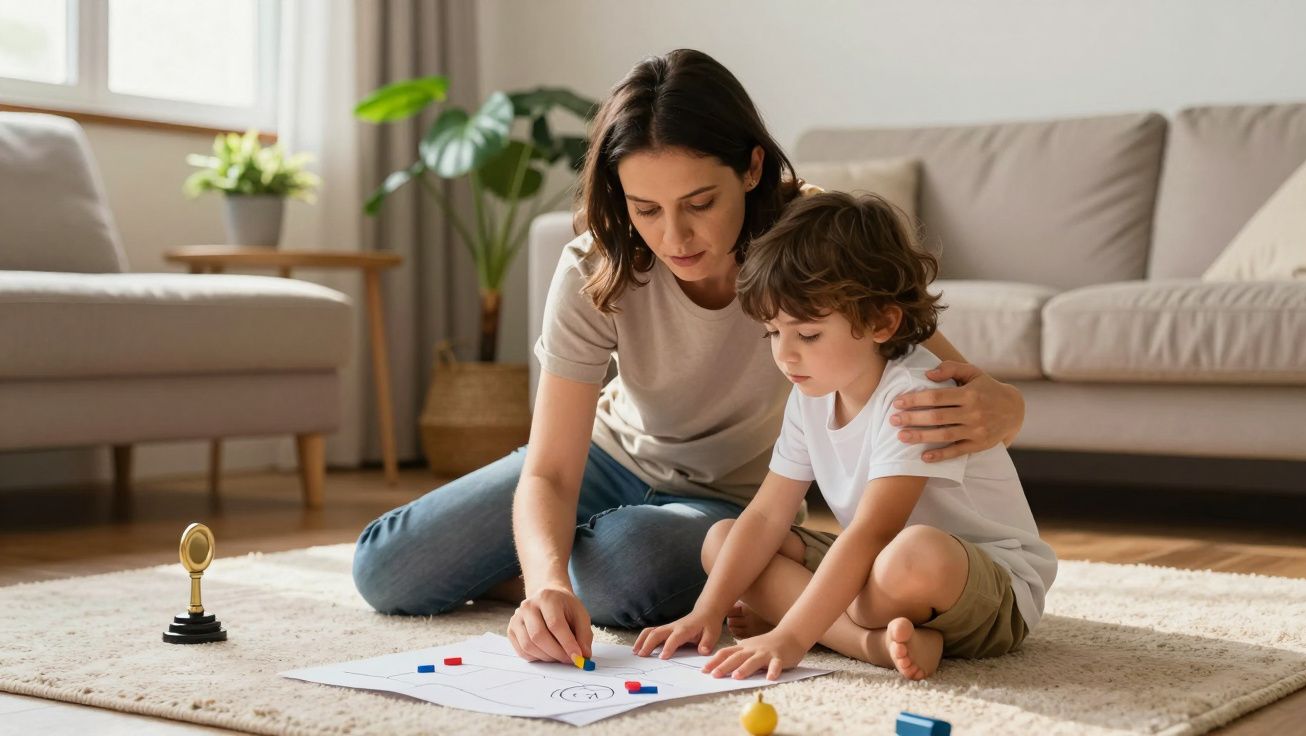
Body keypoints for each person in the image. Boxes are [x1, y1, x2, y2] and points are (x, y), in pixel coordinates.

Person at [351, 49, 1028, 668]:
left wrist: (1009, 405)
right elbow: (552, 468)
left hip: (727, 501)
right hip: (609, 460)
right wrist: (548, 582)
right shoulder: (598, 266)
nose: (675, 237)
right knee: (388, 571)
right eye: (645, 208)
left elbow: (910, 342)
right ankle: (548, 578)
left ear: (752, 167)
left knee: (632, 572)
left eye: (700, 203)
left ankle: (559, 566)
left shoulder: (804, 245)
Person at [632, 191, 1057, 681]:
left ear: (881, 322)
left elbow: (874, 530)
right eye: (773, 333)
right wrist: (705, 611)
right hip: (876, 569)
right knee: (722, 542)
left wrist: (791, 634)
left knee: (911, 556)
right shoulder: (811, 391)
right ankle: (867, 644)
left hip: (985, 588)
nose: (785, 356)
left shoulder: (915, 393)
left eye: (807, 335)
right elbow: (768, 513)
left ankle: (819, 624)